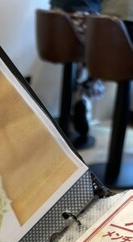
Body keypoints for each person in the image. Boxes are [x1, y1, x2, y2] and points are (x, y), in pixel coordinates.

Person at [49, 0, 104, 146]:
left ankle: (79, 89)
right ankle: (84, 93)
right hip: (82, 20)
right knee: (107, 48)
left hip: (53, 23)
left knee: (85, 54)